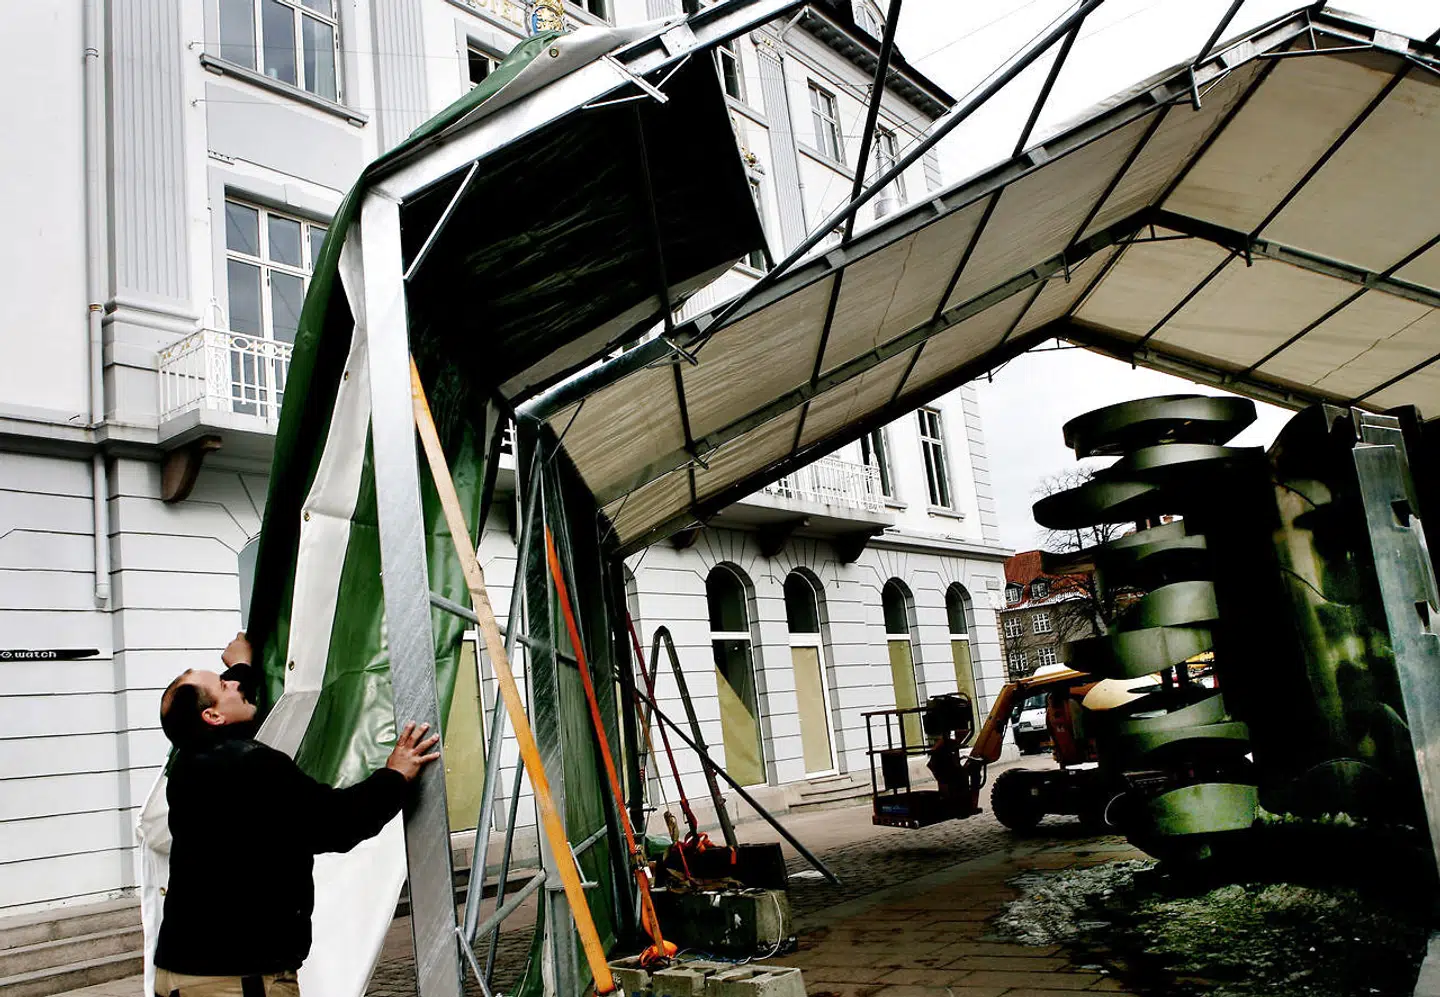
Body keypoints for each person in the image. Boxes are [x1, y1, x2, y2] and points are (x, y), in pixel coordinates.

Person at [154, 632, 440, 997]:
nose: (233, 683)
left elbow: (226, 724)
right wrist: (395, 775)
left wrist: (242, 666)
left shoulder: (184, 769)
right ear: (212, 715)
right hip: (236, 982)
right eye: (224, 683)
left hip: (178, 976)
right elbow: (337, 823)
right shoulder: (255, 767)